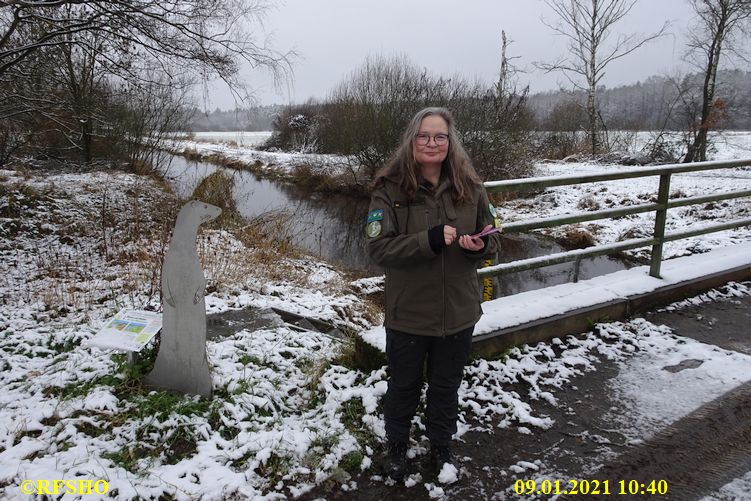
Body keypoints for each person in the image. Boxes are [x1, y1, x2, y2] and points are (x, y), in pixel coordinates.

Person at [366, 107, 502, 481]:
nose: (432, 143)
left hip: (457, 312)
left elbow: (494, 241)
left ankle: (441, 446)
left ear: (449, 141)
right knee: (403, 386)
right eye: (424, 136)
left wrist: (479, 247)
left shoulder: (470, 187)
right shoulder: (389, 190)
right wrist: (427, 240)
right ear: (412, 140)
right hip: (409, 313)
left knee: (446, 387)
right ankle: (396, 445)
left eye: (439, 136)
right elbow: (378, 250)